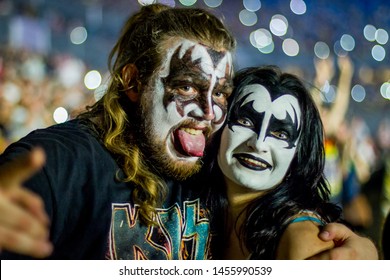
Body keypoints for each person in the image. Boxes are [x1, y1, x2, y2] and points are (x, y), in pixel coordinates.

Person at [0, 4, 378, 260]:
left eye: (221, 94)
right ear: (134, 82)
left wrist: (358, 253)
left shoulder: (212, 167)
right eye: (187, 87)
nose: (209, 113)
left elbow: (284, 211)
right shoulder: (65, 163)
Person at [196, 66, 378, 259]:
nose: (259, 144)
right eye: (246, 122)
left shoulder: (301, 240)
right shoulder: (189, 203)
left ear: (299, 155)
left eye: (280, 133)